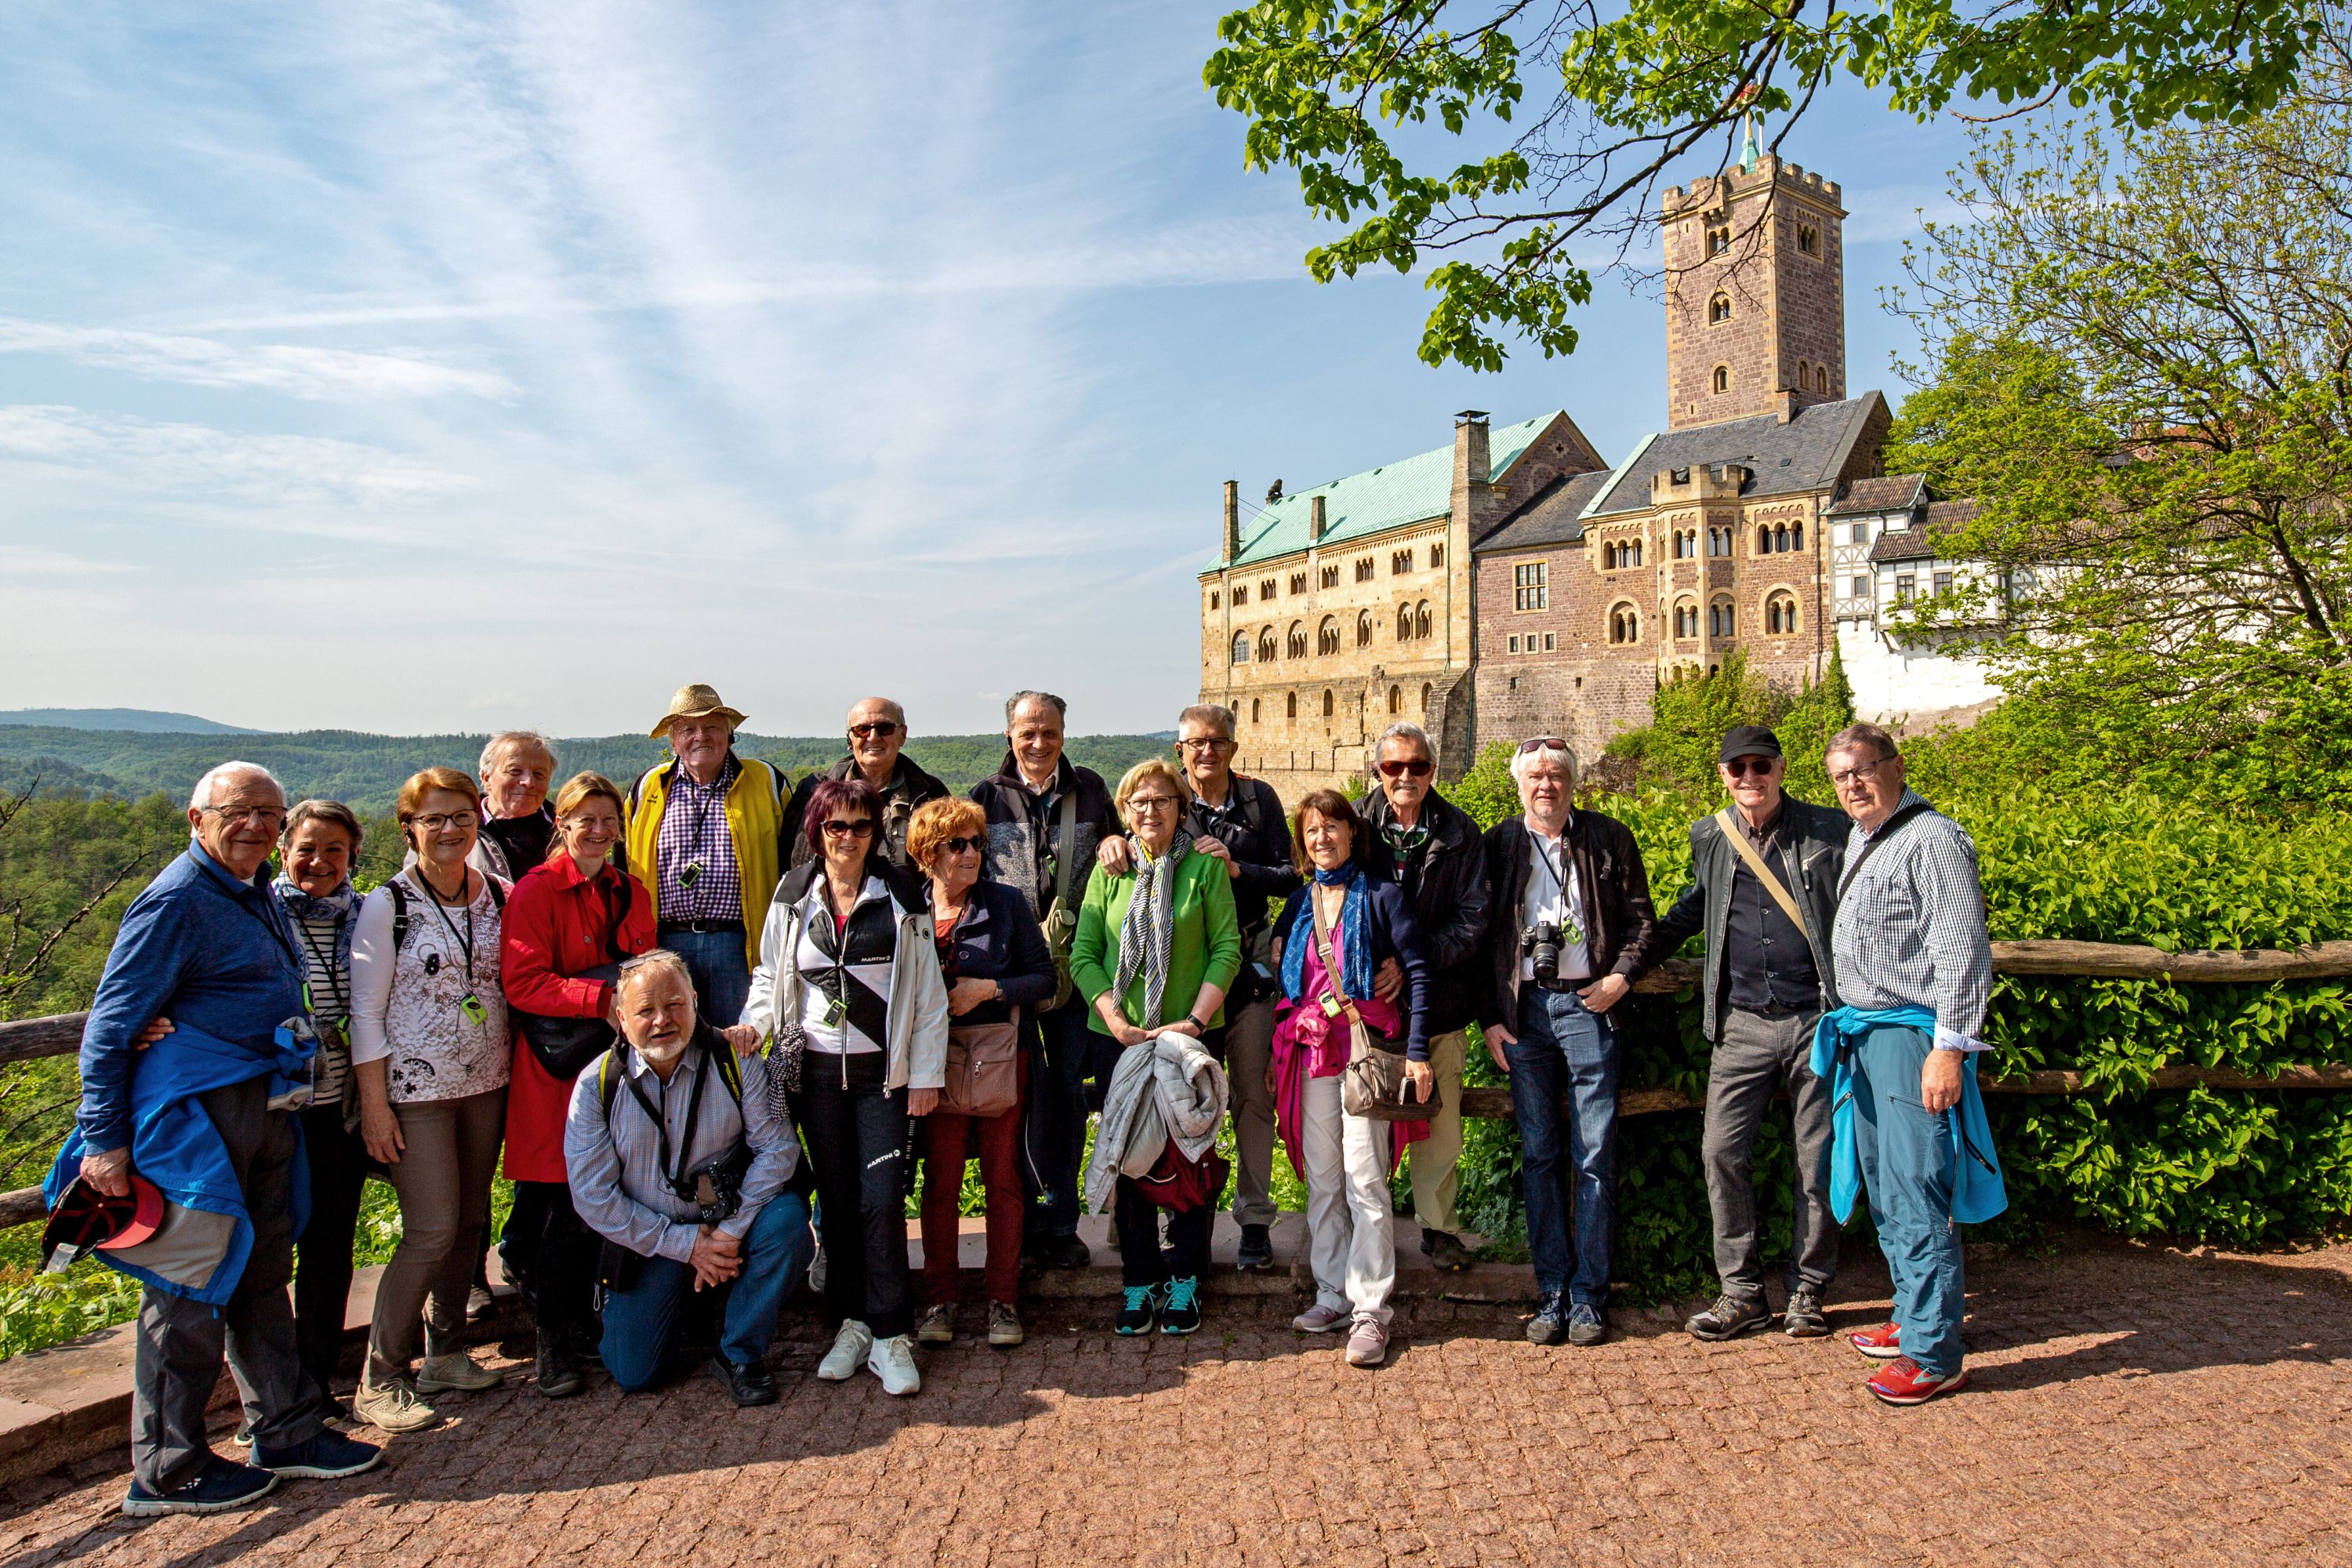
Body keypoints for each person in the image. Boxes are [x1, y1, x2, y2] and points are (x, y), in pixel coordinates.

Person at [59, 762, 379, 1515]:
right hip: (198, 1120)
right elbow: (110, 1026)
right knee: (188, 1282)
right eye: (238, 811)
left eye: (270, 813)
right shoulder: (175, 901)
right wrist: (104, 1141)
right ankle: (167, 1468)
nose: (258, 826)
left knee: (261, 1272)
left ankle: (287, 1430)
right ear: (196, 819)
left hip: (260, 1107)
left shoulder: (255, 892)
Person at [1622, 725, 1849, 1342]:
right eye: (1737, 769)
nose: (1750, 778)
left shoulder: (1830, 831)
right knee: (1721, 1152)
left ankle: (1809, 1290)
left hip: (1817, 1019)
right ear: (1723, 775)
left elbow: (1858, 909)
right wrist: (1625, 967)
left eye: (1760, 766)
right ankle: (1742, 1291)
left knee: (1818, 1161)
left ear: (1780, 770)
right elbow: (1691, 910)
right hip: (1742, 1021)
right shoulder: (1712, 836)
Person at [1815, 723, 2002, 1406]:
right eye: (1841, 776)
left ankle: (1933, 1354)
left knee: (1917, 1189)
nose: (1853, 784)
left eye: (1863, 769)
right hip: (1867, 1038)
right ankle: (1915, 1316)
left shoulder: (1935, 839)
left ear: (1896, 766)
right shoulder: (1866, 838)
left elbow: (1962, 950)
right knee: (1887, 1186)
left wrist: (1949, 1047)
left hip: (1910, 1037)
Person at [740, 777, 947, 1396]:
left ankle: (891, 1333)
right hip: (817, 1076)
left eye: (862, 826)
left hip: (884, 1076)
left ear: (876, 831)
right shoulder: (792, 892)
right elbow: (772, 974)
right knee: (836, 1204)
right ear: (818, 832)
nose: (850, 838)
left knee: (881, 1199)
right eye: (837, 827)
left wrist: (925, 1075)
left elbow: (929, 996)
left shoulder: (903, 894)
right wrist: (754, 1027)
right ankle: (851, 1325)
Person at [1098, 705, 1295, 1272]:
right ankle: (1150, 1212)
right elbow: (1136, 831)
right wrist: (1111, 845)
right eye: (1194, 743)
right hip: (1182, 970)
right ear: (1180, 749)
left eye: (1217, 742)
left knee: (1254, 1095)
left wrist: (1238, 870)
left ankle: (1254, 1219)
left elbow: (1289, 874)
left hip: (1244, 966)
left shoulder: (1259, 801)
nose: (1206, 751)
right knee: (1169, 1097)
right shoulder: (1166, 799)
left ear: (1233, 747)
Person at [566, 950, 812, 1406]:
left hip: (730, 1222)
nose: (662, 1020)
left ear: (695, 1000)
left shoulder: (735, 1061)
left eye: (675, 1004)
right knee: (634, 1374)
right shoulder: (595, 1085)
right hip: (652, 1239)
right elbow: (593, 1197)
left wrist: (729, 1233)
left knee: (788, 1226)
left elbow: (779, 1150)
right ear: (621, 1017)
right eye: (645, 1011)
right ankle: (686, 1306)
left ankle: (738, 1351)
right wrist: (687, 1245)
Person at [348, 767, 513, 1432]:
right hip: (416, 1091)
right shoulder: (387, 905)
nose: (449, 830)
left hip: (486, 1083)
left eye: (461, 816)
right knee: (431, 1228)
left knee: (470, 1223)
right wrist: (375, 1106)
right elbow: (365, 1012)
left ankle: (446, 1354)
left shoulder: (498, 895)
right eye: (434, 818)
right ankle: (380, 1375)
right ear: (409, 826)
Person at [1481, 738, 1656, 1348]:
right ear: (1519, 785)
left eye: (1556, 775)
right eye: (1535, 776)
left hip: (1589, 1004)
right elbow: (1481, 936)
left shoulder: (1608, 838)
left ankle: (1588, 1296)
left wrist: (1621, 976)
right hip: (1525, 1012)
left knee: (1595, 1153)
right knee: (1541, 1156)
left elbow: (1642, 921)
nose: (1546, 786)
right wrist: (1490, 1016)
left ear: (1573, 784)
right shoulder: (1500, 844)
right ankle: (1551, 1289)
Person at [1070, 758, 1241, 1338]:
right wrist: (1115, 1019)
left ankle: (1187, 1276)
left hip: (1190, 1038)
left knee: (1192, 1157)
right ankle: (1140, 1281)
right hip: (1119, 1040)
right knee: (1131, 1157)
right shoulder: (1109, 874)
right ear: (1124, 811)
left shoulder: (1204, 871)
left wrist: (1194, 1020)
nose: (1150, 811)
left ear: (1180, 809)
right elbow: (1084, 956)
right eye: (1139, 802)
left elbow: (1227, 949)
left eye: (1163, 801)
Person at [499, 771, 657, 1397]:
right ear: (560, 824)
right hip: (558, 1071)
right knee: (562, 1208)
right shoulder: (536, 892)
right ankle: (552, 1335)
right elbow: (522, 982)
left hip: (617, 1064)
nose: (597, 831)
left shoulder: (630, 891)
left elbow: (644, 966)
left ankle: (593, 1319)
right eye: (584, 820)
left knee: (611, 1198)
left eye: (608, 821)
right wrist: (603, 997)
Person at [1268, 790, 1432, 1369]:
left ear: (1351, 834)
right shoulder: (1296, 903)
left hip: (1364, 1052)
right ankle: (1332, 1292)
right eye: (1312, 831)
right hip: (1312, 1055)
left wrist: (1416, 1053)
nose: (1322, 838)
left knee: (1366, 1181)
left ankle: (1371, 1308)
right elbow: (1284, 978)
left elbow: (1416, 972)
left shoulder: (1383, 897)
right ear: (1302, 842)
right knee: (1324, 1180)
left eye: (1331, 827)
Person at [967, 691, 1120, 1271]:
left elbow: (1117, 845)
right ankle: (1021, 1222)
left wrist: (1112, 840)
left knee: (1064, 1102)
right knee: (1013, 1101)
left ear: (1063, 732)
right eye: (1027, 732)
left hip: (1075, 972)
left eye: (1048, 732)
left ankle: (1061, 1222)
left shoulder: (1090, 789)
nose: (1037, 743)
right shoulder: (986, 797)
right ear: (1010, 733)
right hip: (1008, 975)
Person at [909, 797, 1056, 1349]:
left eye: (977, 843)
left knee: (1002, 1180)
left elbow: (1043, 979)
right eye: (957, 844)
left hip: (997, 1057)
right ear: (928, 854)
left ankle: (1003, 1301)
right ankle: (940, 1299)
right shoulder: (909, 911)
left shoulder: (1006, 904)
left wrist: (989, 990)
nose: (971, 854)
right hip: (931, 1064)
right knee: (941, 1184)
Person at [1357, 722, 1490, 1274]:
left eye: (1417, 766)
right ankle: (1367, 1231)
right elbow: (1329, 893)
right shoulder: (1354, 824)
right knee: (1365, 1119)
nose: (1405, 776)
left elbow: (1474, 919)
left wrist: (1412, 964)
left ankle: (1438, 1228)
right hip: (1369, 1007)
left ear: (1433, 770)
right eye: (1394, 767)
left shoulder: (1461, 832)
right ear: (1378, 772)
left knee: (1441, 1123)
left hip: (1440, 998)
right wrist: (1373, 965)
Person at [271, 800, 374, 1420]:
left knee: (331, 1247)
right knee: (267, 1249)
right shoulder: (261, 914)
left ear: (353, 856)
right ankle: (274, 1390)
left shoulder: (363, 918)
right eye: (307, 848)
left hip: (340, 1108)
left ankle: (315, 1380)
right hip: (277, 1109)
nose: (319, 862)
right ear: (284, 850)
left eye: (334, 850)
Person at [625, 684, 790, 1028]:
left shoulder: (766, 781)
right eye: (688, 729)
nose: (701, 736)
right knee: (671, 1041)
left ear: (729, 736)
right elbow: (621, 861)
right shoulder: (648, 787)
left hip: (739, 944)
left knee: (738, 1042)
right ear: (673, 741)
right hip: (665, 943)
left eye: (712, 727)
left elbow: (796, 857)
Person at [781, 697, 950, 873]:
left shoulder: (931, 794)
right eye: (862, 730)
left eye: (885, 728)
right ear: (850, 739)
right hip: (828, 898)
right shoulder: (813, 790)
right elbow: (789, 860)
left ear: (903, 735)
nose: (873, 737)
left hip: (907, 899)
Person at [471, 731, 560, 881]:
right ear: (486, 778)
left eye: (539, 774)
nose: (528, 782)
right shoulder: (460, 828)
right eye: (515, 771)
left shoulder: (568, 829)